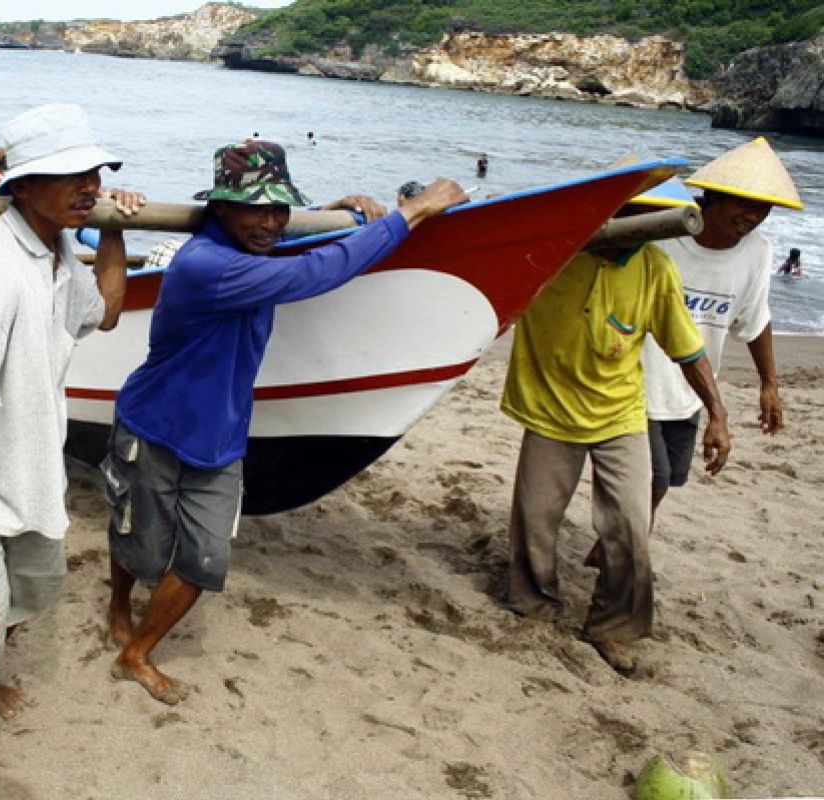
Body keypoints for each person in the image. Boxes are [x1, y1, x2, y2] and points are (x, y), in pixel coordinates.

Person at [102, 139, 467, 705]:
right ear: (221, 207)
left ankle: (137, 653)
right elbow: (319, 272)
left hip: (221, 437)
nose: (271, 222)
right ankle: (117, 604)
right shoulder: (206, 265)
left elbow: (298, 246)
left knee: (204, 562)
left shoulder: (255, 248)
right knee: (139, 545)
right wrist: (411, 213)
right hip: (156, 426)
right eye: (257, 208)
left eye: (281, 209)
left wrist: (331, 212)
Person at [0, 103, 144, 791]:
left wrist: (110, 231)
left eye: (93, 171)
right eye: (67, 174)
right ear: (19, 185)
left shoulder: (57, 247)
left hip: (33, 476)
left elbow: (102, 312)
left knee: (20, 605)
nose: (88, 183)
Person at [500, 182, 732, 676]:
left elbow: (686, 348)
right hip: (550, 407)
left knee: (629, 522)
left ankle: (612, 625)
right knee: (535, 518)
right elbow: (487, 272)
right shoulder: (551, 255)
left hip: (619, 414)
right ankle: (535, 604)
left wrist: (718, 413)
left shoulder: (654, 269)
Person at [640, 138, 801, 527]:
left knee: (664, 484)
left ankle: (615, 547)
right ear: (711, 197)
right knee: (652, 478)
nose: (754, 215)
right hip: (634, 384)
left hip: (691, 390)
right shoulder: (662, 231)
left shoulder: (757, 252)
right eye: (745, 203)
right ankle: (622, 557)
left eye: (764, 207)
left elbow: (755, 319)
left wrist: (769, 384)